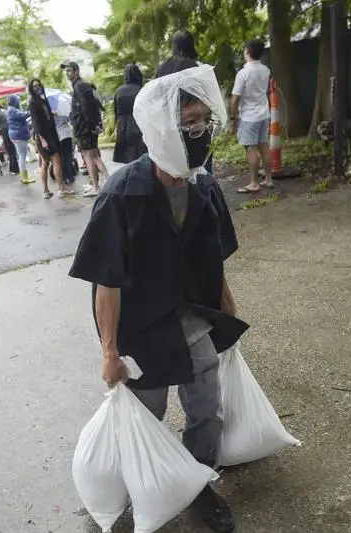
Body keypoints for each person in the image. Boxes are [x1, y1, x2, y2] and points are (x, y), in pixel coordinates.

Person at [69, 61, 244, 533]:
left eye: (205, 122)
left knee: (207, 407)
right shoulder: (123, 195)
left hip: (192, 317)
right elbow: (106, 280)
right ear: (163, 128)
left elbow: (213, 252)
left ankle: (197, 483)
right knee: (146, 412)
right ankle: (142, 482)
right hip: (143, 327)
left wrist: (224, 302)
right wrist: (109, 353)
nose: (200, 133)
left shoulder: (203, 184)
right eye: (189, 124)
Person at [157, 30, 215, 175]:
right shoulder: (200, 66)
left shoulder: (163, 68)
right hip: (198, 125)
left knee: (174, 169)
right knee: (202, 164)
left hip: (171, 126)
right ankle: (204, 186)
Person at [62, 60, 110, 197]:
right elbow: (94, 106)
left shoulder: (79, 86)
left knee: (91, 157)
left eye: (69, 70)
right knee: (93, 156)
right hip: (87, 127)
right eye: (66, 71)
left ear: (76, 71)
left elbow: (85, 108)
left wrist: (91, 126)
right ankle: (99, 184)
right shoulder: (83, 85)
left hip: (84, 129)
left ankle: (99, 186)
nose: (67, 73)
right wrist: (96, 125)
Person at [231, 40, 273, 193]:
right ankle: (268, 179)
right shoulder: (266, 70)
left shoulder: (243, 73)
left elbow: (235, 98)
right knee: (264, 145)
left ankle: (254, 183)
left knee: (251, 148)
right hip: (264, 113)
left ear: (247, 52)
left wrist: (233, 118)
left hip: (249, 116)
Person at [28, 78, 73, 198]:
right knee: (56, 160)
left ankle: (46, 191)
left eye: (39, 85)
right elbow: (36, 123)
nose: (38, 88)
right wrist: (43, 140)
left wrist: (51, 114)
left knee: (45, 162)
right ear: (31, 89)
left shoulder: (42, 100)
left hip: (50, 134)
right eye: (35, 86)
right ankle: (61, 188)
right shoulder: (33, 102)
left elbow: (44, 116)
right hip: (45, 137)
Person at [113, 63, 148, 164]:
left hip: (123, 126)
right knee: (141, 155)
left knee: (128, 156)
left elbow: (116, 111)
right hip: (139, 123)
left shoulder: (119, 91)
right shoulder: (142, 90)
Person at [7, 95, 35, 184]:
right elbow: (24, 115)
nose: (19, 102)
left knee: (21, 156)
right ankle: (23, 177)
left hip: (16, 134)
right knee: (22, 157)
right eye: (18, 101)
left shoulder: (12, 109)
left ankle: (24, 175)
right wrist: (31, 109)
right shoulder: (13, 110)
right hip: (19, 135)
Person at [0, 102, 19, 175]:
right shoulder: (5, 111)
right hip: (11, 130)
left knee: (9, 150)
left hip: (4, 131)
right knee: (12, 149)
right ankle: (12, 168)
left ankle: (15, 169)